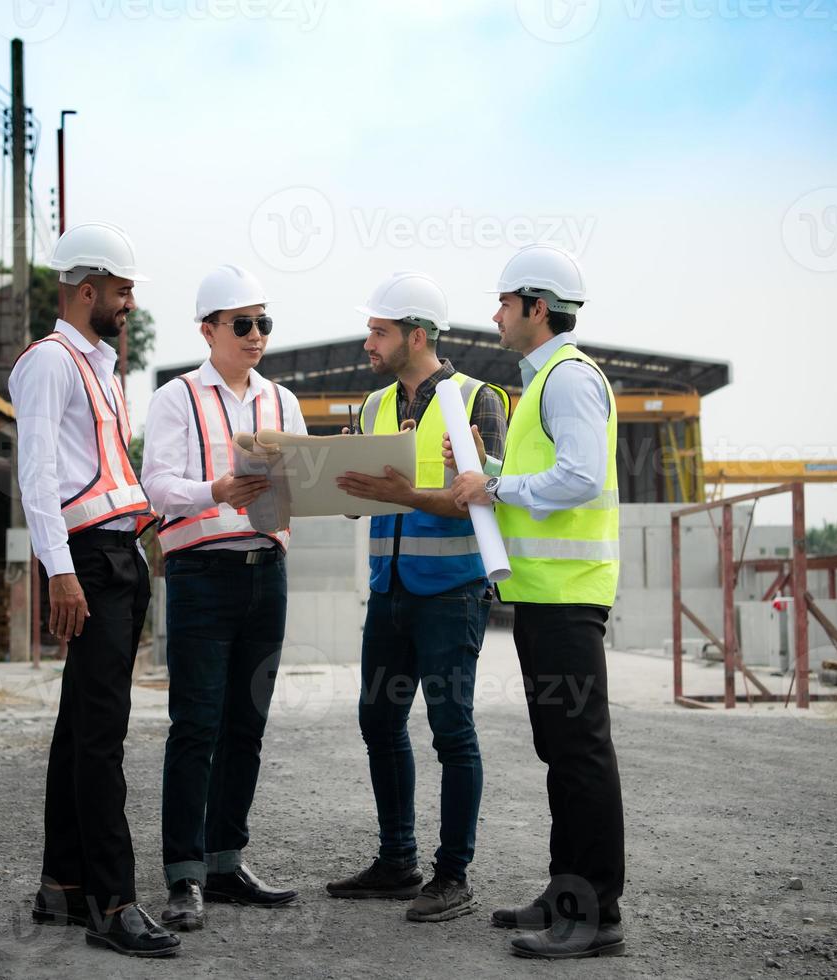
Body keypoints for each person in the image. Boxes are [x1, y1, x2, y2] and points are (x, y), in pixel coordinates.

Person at [449, 244, 626, 960]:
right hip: (543, 597)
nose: (494, 314)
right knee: (561, 751)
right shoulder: (542, 382)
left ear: (536, 307)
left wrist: (497, 488)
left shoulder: (567, 378)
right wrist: (487, 471)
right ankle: (566, 895)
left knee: (580, 753)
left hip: (567, 599)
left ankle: (596, 914)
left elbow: (579, 478)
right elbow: (542, 475)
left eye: (503, 302)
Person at [10, 221, 179, 959]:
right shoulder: (50, 363)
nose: (131, 303)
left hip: (117, 555)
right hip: (91, 561)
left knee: (81, 727)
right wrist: (61, 570)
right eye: (123, 290)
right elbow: (38, 474)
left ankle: (64, 884)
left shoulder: (100, 366)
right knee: (102, 737)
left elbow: (107, 472)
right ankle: (114, 903)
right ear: (87, 291)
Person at [326, 272, 509, 923]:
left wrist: (405, 496)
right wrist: (330, 480)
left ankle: (452, 875)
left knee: (450, 730)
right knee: (379, 721)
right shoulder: (374, 406)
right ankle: (397, 863)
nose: (368, 341)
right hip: (389, 591)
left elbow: (484, 502)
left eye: (378, 331)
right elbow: (357, 507)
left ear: (417, 335)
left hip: (452, 592)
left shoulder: (478, 400)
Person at [141, 264, 305, 931]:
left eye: (264, 322)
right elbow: (156, 487)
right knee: (196, 726)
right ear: (208, 330)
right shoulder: (177, 398)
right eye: (244, 323)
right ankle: (184, 875)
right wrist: (216, 491)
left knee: (247, 724)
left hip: (267, 571)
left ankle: (226, 862)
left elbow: (299, 484)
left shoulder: (281, 403)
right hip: (202, 575)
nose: (257, 334)